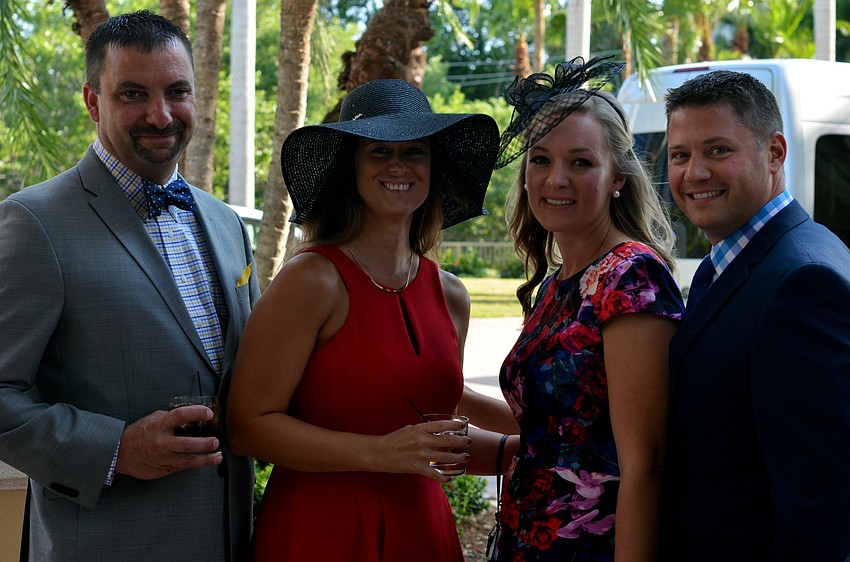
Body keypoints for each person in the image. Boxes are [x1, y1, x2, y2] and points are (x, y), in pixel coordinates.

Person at [0, 11, 259, 562]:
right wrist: (116, 449)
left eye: (176, 91)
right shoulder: (34, 222)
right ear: (93, 102)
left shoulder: (226, 224)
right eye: (133, 94)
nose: (160, 115)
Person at [225, 78, 500, 561]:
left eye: (415, 152)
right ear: (350, 166)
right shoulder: (311, 280)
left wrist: (540, 439)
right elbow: (247, 426)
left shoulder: (451, 294)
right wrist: (380, 454)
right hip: (321, 531)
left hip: (423, 529)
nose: (399, 165)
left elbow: (437, 411)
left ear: (433, 167)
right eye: (379, 151)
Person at [486, 57, 685, 561]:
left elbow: (646, 465)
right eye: (540, 159)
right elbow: (551, 430)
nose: (556, 179)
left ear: (617, 176)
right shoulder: (558, 286)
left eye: (580, 162)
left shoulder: (631, 278)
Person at [661, 70, 850, 562]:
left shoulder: (803, 283)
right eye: (680, 155)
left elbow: (822, 508)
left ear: (775, 153)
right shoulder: (735, 262)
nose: (694, 173)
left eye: (718, 150)